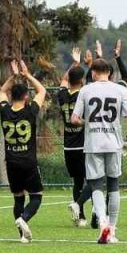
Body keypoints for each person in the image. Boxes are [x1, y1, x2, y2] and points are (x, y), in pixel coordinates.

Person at [72, 57, 127, 245]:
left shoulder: (85, 90)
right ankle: (113, 229)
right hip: (114, 143)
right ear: (109, 72)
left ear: (92, 73)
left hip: (93, 144)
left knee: (96, 186)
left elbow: (74, 119)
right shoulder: (121, 90)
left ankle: (102, 224)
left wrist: (89, 123)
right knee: (114, 184)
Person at [0, 61, 48, 244]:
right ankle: (24, 219)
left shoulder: (4, 110)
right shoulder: (30, 111)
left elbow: (2, 91)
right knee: (36, 196)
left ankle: (22, 236)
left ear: (12, 96)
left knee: (18, 198)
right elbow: (42, 91)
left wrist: (13, 77)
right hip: (28, 162)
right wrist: (27, 75)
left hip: (11, 162)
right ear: (27, 96)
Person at [57, 49, 92, 228]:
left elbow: (63, 80)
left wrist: (75, 64)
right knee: (93, 180)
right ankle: (91, 213)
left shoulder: (62, 95)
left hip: (68, 146)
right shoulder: (84, 95)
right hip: (84, 145)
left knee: (77, 181)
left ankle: (80, 217)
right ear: (82, 80)